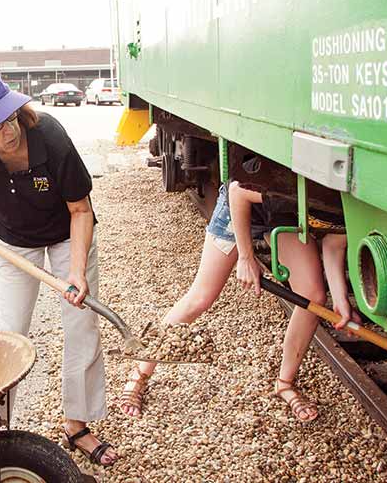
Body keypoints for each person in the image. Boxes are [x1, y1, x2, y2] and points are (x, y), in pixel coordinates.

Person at [0, 68, 118, 466]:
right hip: (11, 238)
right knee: (10, 333)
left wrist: (77, 272)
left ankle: (76, 424)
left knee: (81, 325)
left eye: (9, 114)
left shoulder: (49, 135)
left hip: (68, 234)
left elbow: (81, 210)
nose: (9, 128)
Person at [119, 175, 359, 423]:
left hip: (284, 216)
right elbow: (238, 191)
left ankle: (285, 384)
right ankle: (139, 374)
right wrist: (245, 257)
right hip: (244, 207)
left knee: (314, 298)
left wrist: (341, 300)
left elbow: (334, 244)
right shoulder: (308, 186)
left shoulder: (352, 204)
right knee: (200, 299)